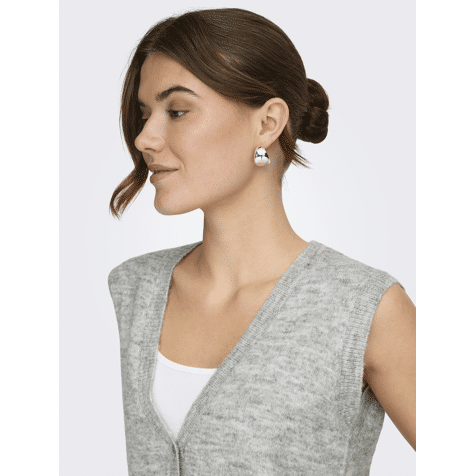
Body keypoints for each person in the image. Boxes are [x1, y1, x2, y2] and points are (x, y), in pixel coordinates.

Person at [108, 7, 416, 475]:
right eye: (144, 114)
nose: (145, 138)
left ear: (268, 123)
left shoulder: (363, 308)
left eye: (177, 111)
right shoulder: (136, 288)